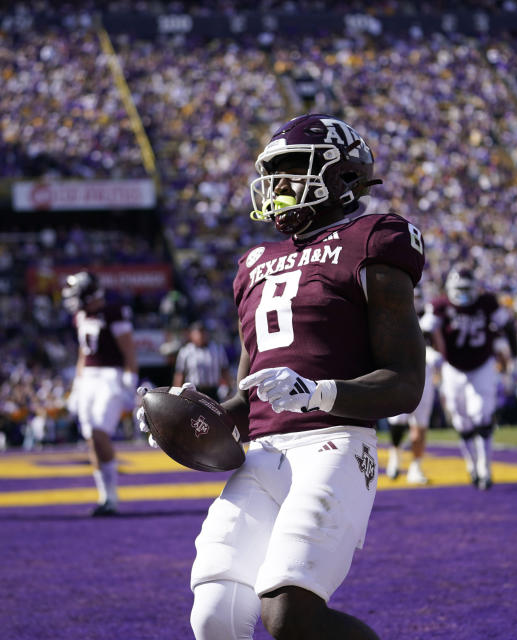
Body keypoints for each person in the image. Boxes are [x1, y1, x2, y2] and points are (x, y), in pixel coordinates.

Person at [140, 113, 425, 640]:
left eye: (294, 167)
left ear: (343, 176)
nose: (278, 184)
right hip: (263, 455)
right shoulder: (253, 262)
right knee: (213, 616)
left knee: (290, 613)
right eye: (273, 171)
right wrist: (186, 419)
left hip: (334, 444)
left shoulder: (374, 238)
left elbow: (406, 384)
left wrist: (319, 393)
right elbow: (250, 396)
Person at [424, 266, 515, 489]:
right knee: (461, 420)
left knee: (482, 415)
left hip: (482, 365)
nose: (463, 294)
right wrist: (432, 352)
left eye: (467, 288)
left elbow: (508, 325)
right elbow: (425, 330)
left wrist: (514, 356)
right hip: (453, 368)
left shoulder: (487, 303)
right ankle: (472, 465)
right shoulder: (439, 306)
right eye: (460, 289)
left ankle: (486, 469)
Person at [62, 271, 139, 515]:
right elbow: (83, 354)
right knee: (90, 438)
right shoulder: (80, 316)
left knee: (99, 432)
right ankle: (104, 497)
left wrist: (130, 378)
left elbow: (129, 349)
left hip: (110, 376)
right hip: (88, 378)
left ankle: (112, 496)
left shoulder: (113, 312)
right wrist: (76, 384)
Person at [385, 288, 440, 484]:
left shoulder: (429, 320)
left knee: (421, 423)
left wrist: (436, 356)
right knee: (397, 421)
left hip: (424, 372)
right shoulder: (391, 317)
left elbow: (439, 345)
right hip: (401, 371)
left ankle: (416, 467)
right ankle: (395, 455)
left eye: (417, 298)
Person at [172, 321, 232, 400]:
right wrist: (176, 394)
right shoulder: (185, 351)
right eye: (198, 333)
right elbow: (180, 374)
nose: (201, 335)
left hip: (213, 390)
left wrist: (229, 388)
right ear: (191, 335)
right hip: (194, 391)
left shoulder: (217, 349)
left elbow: (224, 370)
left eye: (203, 332)